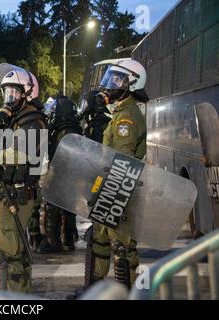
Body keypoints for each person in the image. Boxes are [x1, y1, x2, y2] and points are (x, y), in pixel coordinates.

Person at [87, 59, 148, 289]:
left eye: (116, 80)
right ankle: (95, 291)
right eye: (110, 79)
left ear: (131, 84)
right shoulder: (119, 112)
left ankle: (131, 292)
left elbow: (123, 159)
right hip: (110, 187)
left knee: (122, 248)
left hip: (120, 188)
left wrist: (108, 191)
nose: (109, 85)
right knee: (99, 240)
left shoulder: (126, 117)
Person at [0, 64, 47, 292]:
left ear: (28, 93)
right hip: (10, 191)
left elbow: (21, 154)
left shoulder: (33, 121)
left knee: (8, 252)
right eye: (6, 92)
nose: (9, 98)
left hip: (21, 193)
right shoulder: (15, 120)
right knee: (11, 250)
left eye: (14, 92)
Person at [37, 95, 83, 254]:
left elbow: (58, 155)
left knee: (52, 207)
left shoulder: (63, 131)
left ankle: (53, 241)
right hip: (72, 175)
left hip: (61, 174)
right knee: (69, 208)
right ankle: (68, 240)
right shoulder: (74, 129)